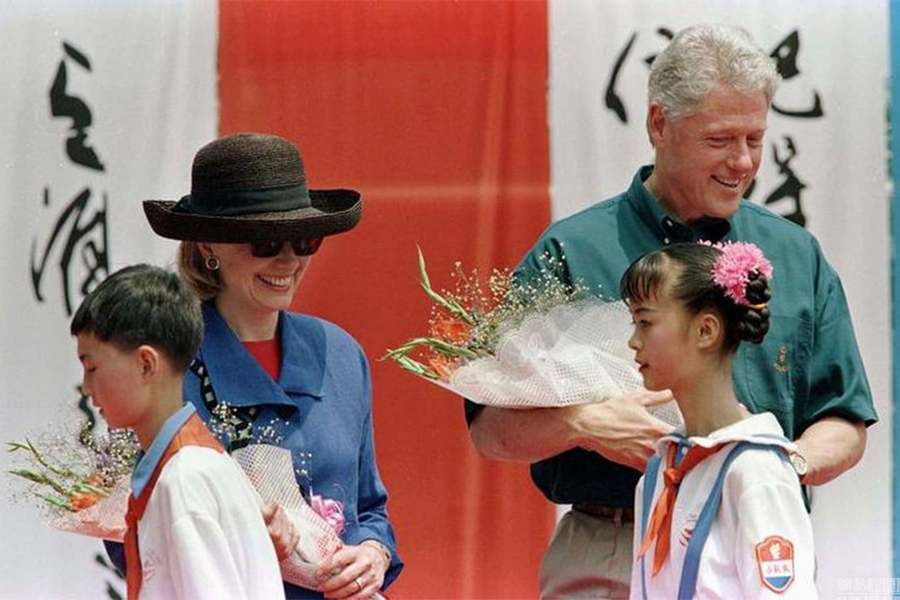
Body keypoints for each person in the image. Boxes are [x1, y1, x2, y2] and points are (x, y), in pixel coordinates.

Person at [466, 24, 877, 598]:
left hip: (755, 536)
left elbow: (844, 421)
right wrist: (581, 424)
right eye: (719, 140)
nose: (742, 162)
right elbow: (490, 430)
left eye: (755, 139)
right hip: (612, 544)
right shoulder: (572, 251)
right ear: (659, 124)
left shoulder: (794, 254)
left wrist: (777, 467)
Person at [106, 132, 402, 599]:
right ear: (209, 246)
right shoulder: (160, 365)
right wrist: (235, 530)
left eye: (304, 240)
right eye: (264, 243)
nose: (288, 259)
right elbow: (123, 536)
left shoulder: (342, 353)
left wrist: (372, 553)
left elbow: (369, 508)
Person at [71, 264, 285, 600]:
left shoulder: (184, 479)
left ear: (146, 364)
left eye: (91, 366)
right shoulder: (192, 464)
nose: (86, 387)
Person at [622, 242, 815, 598]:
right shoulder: (661, 469)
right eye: (634, 322)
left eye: (645, 322)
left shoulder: (757, 471)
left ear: (706, 331)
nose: (633, 341)